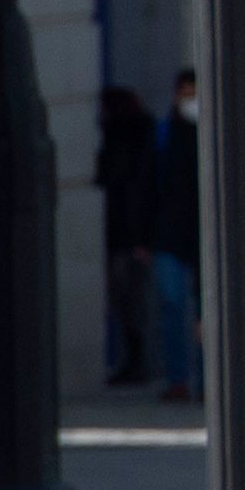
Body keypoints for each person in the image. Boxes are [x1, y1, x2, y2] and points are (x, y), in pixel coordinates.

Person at [95, 86, 157, 386]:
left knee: (130, 300)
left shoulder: (129, 137)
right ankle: (135, 361)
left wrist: (142, 239)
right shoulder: (131, 135)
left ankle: (137, 362)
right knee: (127, 300)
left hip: (129, 235)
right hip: (126, 233)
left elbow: (131, 185)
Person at [149, 68, 203, 403]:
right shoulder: (165, 132)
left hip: (202, 235)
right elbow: (149, 183)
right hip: (169, 234)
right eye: (184, 92)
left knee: (205, 312)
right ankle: (178, 379)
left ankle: (206, 379)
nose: (188, 99)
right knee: (172, 308)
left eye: (194, 92)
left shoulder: (212, 130)